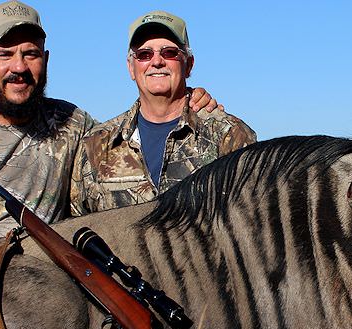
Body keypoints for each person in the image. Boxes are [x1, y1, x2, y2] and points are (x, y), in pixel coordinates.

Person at [0, 2, 218, 264]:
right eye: (4, 55)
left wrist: (187, 100)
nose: (18, 67)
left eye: (30, 54)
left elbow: (127, 141)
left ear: (45, 60)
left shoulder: (72, 123)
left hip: (45, 296)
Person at [71, 10, 257, 213]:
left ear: (189, 64)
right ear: (131, 68)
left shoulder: (228, 135)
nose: (157, 61)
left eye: (169, 52)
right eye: (144, 54)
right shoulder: (96, 144)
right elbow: (77, 226)